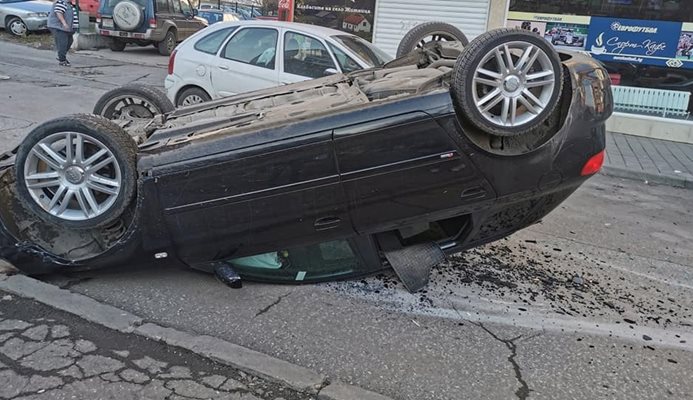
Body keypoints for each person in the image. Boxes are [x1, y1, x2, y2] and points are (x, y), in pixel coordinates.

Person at [47, 0, 78, 66]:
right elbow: (59, 12)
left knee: (69, 41)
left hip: (66, 29)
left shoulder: (69, 4)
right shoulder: (61, 2)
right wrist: (64, 23)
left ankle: (61, 56)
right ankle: (62, 60)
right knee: (63, 43)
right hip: (59, 27)